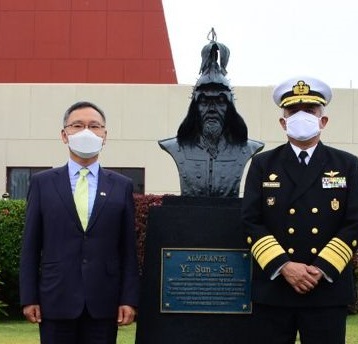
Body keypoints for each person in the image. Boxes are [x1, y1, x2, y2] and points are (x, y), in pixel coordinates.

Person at [241, 76, 358, 344]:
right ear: (283, 122)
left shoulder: (346, 164)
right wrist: (284, 266)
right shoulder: (263, 164)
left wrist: (319, 269)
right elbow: (251, 222)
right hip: (274, 288)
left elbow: (354, 224)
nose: (301, 117)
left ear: (323, 121)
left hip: (326, 290)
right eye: (293, 112)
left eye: (309, 111)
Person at [19, 101, 140, 344]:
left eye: (95, 126)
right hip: (56, 298)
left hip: (104, 301)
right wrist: (28, 297)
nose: (87, 132)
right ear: (64, 135)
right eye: (78, 125)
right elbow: (31, 245)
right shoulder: (43, 183)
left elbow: (128, 249)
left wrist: (128, 298)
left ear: (105, 135)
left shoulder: (121, 185)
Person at [159, 36, 263, 197]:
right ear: (195, 107)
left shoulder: (247, 148)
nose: (212, 109)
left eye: (220, 101)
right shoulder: (176, 146)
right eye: (205, 101)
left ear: (230, 107)